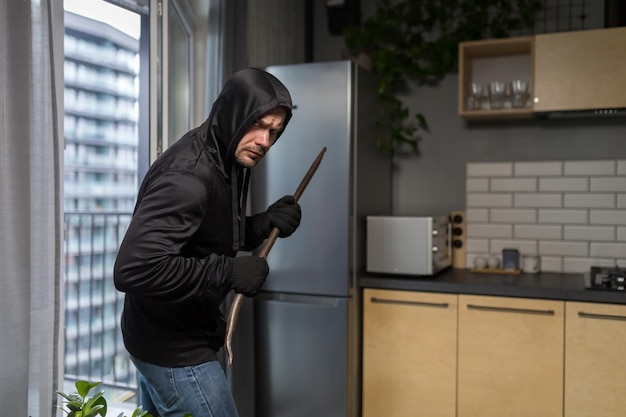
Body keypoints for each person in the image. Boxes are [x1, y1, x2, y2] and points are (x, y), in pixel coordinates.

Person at [113, 68, 302, 417]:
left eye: (274, 132)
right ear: (233, 114)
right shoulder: (188, 177)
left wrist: (260, 225)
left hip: (165, 332)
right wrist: (227, 271)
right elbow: (134, 270)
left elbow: (205, 235)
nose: (265, 141)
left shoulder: (227, 159)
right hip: (173, 347)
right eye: (258, 125)